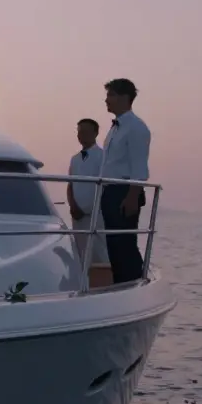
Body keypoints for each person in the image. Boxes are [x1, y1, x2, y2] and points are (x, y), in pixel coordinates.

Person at [99, 79, 152, 283]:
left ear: (124, 97)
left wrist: (132, 196)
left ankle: (133, 283)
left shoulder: (136, 128)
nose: (106, 100)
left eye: (110, 95)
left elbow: (139, 166)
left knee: (125, 242)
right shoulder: (115, 128)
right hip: (109, 190)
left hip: (124, 191)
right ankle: (120, 282)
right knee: (113, 243)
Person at [67, 118, 109, 269]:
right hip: (77, 215)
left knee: (100, 252)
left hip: (97, 215)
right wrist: (72, 206)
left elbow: (105, 186)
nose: (81, 135)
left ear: (95, 133)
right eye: (79, 132)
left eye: (85, 131)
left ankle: (102, 284)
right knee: (80, 251)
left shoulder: (103, 157)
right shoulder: (74, 159)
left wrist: (92, 208)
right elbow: (70, 184)